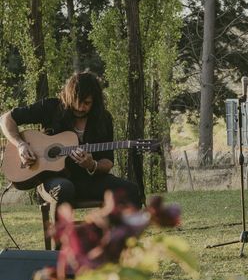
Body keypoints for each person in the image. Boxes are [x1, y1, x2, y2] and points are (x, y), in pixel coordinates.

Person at [0, 71, 142, 208]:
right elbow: (6, 119)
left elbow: (108, 161)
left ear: (95, 101)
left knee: (131, 190)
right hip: (53, 180)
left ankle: (120, 231)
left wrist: (92, 165)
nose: (80, 107)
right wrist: (21, 145)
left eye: (86, 103)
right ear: (69, 96)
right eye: (77, 101)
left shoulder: (103, 119)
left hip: (89, 181)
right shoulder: (51, 107)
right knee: (65, 188)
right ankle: (61, 233)